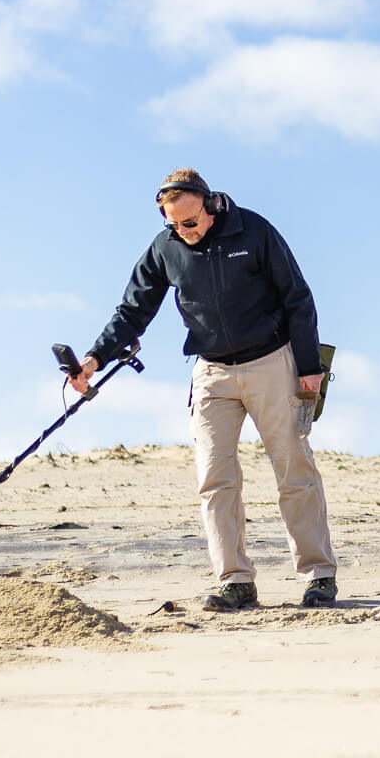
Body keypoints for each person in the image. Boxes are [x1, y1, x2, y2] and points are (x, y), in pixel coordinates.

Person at [71, 169, 338, 611]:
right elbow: (132, 311)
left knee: (294, 469)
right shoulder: (166, 247)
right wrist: (94, 358)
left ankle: (319, 575)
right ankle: (236, 581)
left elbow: (297, 297)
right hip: (211, 373)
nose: (183, 231)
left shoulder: (254, 230)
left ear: (211, 206)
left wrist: (309, 367)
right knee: (215, 479)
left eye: (190, 221)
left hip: (272, 362)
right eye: (173, 223)